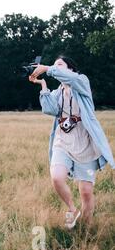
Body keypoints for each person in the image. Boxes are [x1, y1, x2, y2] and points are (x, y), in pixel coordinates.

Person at [29, 55, 114, 228]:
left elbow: (71, 79)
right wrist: (43, 86)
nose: (55, 68)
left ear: (71, 69)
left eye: (59, 65)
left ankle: (85, 227)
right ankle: (72, 209)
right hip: (62, 141)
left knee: (86, 193)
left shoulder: (81, 82)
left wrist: (47, 69)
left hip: (85, 144)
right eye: (54, 66)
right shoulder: (57, 92)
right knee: (57, 178)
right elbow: (50, 109)